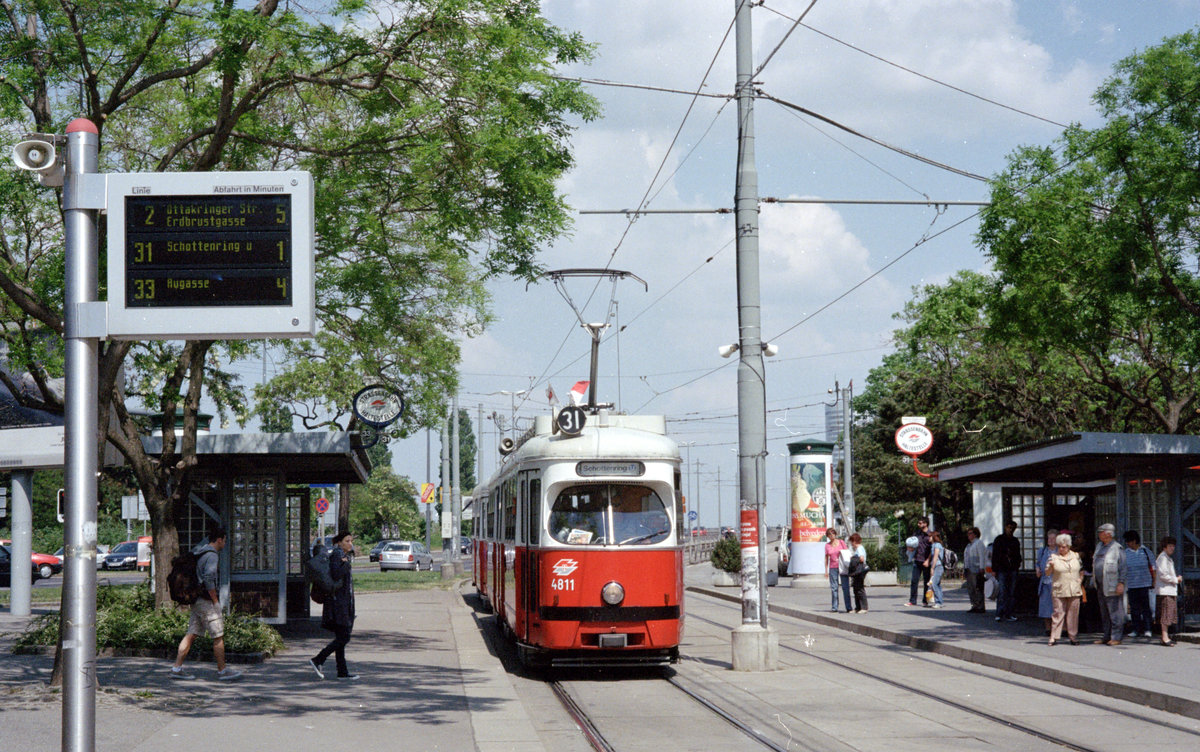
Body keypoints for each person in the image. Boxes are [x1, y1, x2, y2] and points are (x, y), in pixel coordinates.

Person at [170, 525, 242, 681]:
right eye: (224, 540)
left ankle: (177, 667)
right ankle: (222, 671)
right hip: (205, 601)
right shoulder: (212, 556)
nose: (225, 543)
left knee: (191, 634)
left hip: (196, 601)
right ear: (219, 539)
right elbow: (209, 580)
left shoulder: (200, 551)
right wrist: (216, 601)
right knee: (218, 635)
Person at [310, 531, 358, 680]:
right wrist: (345, 564)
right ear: (339, 543)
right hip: (339, 604)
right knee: (344, 637)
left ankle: (342, 672)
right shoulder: (338, 555)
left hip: (342, 602)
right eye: (347, 541)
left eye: (351, 541)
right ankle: (318, 659)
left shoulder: (342, 555)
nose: (350, 543)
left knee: (341, 639)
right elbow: (337, 574)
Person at [1092, 523, 1127, 646]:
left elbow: (1122, 567)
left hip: (1112, 584)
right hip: (1101, 585)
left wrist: (1121, 582)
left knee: (1115, 612)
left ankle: (1116, 636)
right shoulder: (1099, 546)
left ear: (1108, 533)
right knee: (1104, 612)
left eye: (1101, 532)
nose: (1099, 534)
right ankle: (1106, 636)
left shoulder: (1117, 548)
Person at [1047, 532, 1084, 646]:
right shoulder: (1053, 557)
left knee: (1073, 614)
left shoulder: (1076, 556)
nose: (1061, 549)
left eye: (1063, 546)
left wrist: (1080, 581)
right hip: (1059, 589)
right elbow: (1047, 573)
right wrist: (1050, 566)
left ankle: (1073, 636)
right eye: (1059, 546)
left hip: (1074, 589)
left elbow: (1081, 571)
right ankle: (1054, 637)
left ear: (1068, 546)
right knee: (1058, 613)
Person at [1123, 530, 1156, 639]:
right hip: (1132, 584)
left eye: (1130, 541)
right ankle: (1135, 629)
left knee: (1146, 608)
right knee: (1134, 609)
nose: (1128, 543)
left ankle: (1148, 629)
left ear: (1135, 541)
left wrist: (1154, 581)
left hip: (1145, 584)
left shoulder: (1146, 551)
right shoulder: (1125, 553)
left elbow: (1153, 567)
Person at [992, 520, 1021, 622]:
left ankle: (1009, 613)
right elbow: (994, 555)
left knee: (1012, 592)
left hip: (1012, 568)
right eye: (1009, 527)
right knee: (1002, 591)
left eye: (1012, 528)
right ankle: (999, 613)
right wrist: (994, 569)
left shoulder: (1015, 541)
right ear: (1005, 527)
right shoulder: (999, 540)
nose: (1010, 529)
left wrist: (1017, 565)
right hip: (1001, 568)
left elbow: (1018, 555)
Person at [1154, 536, 1181, 646]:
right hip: (1165, 590)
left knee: (1168, 614)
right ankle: (1165, 637)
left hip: (1169, 590)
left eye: (1173, 546)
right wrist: (1176, 579)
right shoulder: (1162, 558)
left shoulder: (1168, 558)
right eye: (1170, 546)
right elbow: (1163, 575)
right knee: (1165, 614)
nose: (1172, 548)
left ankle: (1165, 636)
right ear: (1164, 547)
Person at [905, 517, 932, 607]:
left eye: (920, 523)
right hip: (917, 560)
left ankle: (925, 601)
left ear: (926, 524)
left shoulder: (930, 535)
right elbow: (912, 544)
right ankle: (912, 600)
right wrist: (910, 549)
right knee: (914, 581)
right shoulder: (916, 534)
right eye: (918, 523)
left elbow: (933, 549)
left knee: (926, 582)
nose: (918, 525)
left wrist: (928, 560)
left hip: (926, 561)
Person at [1035, 530, 1057, 634]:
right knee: (1045, 607)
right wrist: (1037, 569)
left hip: (1056, 582)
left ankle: (1058, 628)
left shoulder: (1059, 551)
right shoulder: (1043, 551)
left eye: (1053, 538)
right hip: (1044, 582)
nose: (1051, 540)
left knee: (1056, 607)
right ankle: (1048, 629)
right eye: (1049, 538)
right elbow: (1038, 563)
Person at [963, 527, 987, 613]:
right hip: (969, 568)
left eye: (970, 533)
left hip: (976, 569)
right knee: (971, 588)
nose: (968, 535)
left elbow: (982, 556)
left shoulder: (978, 543)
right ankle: (974, 605)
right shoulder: (969, 545)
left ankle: (980, 606)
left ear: (975, 534)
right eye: (968, 533)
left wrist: (982, 567)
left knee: (978, 588)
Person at [823, 528, 847, 613]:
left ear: (835, 534)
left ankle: (848, 607)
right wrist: (826, 571)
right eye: (829, 534)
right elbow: (826, 558)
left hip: (842, 567)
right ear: (828, 536)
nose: (831, 535)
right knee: (834, 588)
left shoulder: (841, 542)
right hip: (832, 567)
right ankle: (834, 607)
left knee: (845, 587)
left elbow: (846, 554)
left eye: (833, 533)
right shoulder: (827, 545)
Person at [847, 533, 869, 613]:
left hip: (859, 570)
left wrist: (853, 559)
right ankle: (858, 607)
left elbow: (862, 559)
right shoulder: (858, 549)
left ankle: (864, 607)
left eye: (851, 542)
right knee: (856, 589)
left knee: (859, 589)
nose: (851, 544)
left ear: (854, 541)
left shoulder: (860, 548)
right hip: (857, 571)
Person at [928, 530, 946, 608]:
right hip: (937, 566)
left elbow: (935, 557)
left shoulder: (937, 545)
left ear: (933, 537)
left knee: (934, 584)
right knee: (937, 584)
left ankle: (938, 602)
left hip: (938, 566)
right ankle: (939, 601)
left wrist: (932, 568)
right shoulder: (933, 545)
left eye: (930, 536)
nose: (928, 538)